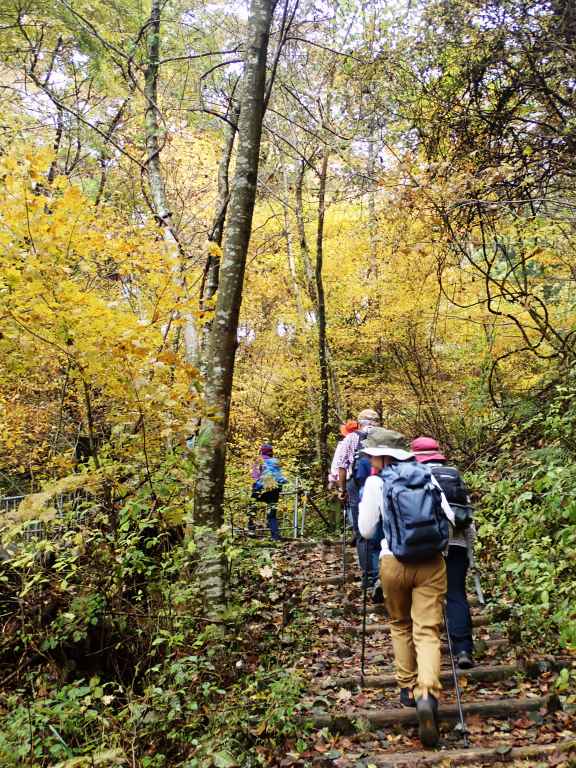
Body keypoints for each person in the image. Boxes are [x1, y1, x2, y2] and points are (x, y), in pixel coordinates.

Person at [359, 428, 455, 748]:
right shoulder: (427, 475)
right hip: (430, 562)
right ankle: (428, 691)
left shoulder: (375, 482)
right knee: (427, 630)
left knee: (400, 624)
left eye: (372, 454)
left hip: (392, 562)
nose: (370, 459)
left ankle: (407, 687)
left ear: (383, 455)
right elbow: (450, 518)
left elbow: (366, 529)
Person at [412, 436, 476, 670]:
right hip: (457, 541)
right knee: (456, 593)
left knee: (424, 597)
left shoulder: (413, 475)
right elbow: (466, 512)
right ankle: (463, 649)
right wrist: (470, 546)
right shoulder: (453, 473)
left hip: (425, 544)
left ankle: (426, 650)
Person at [330, 409, 382, 600]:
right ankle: (382, 574)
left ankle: (369, 576)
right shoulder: (384, 436)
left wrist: (341, 490)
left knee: (362, 531)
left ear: (359, 423)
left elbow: (342, 465)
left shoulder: (351, 438)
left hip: (357, 486)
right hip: (383, 485)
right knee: (382, 529)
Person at [250, 444, 288, 541]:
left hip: (260, 489)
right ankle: (275, 537)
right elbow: (280, 476)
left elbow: (254, 476)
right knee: (272, 514)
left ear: (261, 451)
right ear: (271, 452)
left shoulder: (258, 461)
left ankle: (251, 530)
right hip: (274, 489)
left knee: (252, 507)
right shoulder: (276, 462)